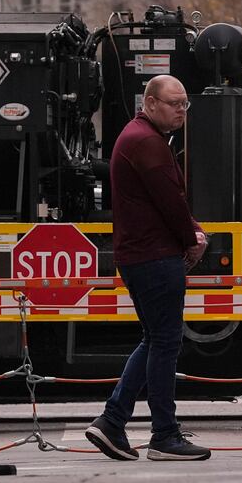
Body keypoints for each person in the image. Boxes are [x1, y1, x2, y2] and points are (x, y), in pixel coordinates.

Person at [85, 75, 211, 462]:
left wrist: (191, 232)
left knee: (156, 339)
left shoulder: (139, 138)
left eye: (185, 104)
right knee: (165, 342)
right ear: (150, 102)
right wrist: (192, 240)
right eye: (174, 103)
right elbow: (171, 203)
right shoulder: (146, 143)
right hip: (155, 258)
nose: (181, 110)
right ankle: (163, 435)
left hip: (143, 256)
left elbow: (170, 203)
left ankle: (112, 421)